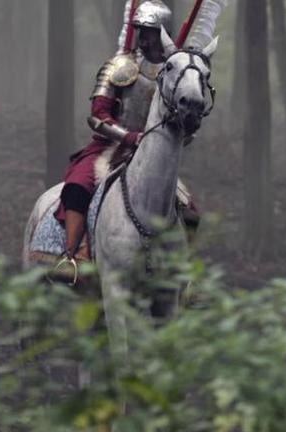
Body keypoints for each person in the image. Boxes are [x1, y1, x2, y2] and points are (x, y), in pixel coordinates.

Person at [54, 0, 189, 262]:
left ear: (164, 34)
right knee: (77, 185)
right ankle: (73, 255)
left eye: (150, 33)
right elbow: (97, 116)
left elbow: (180, 119)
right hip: (111, 148)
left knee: (188, 207)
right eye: (140, 31)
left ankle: (184, 275)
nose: (144, 39)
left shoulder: (175, 74)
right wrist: (127, 137)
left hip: (155, 153)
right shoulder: (119, 66)